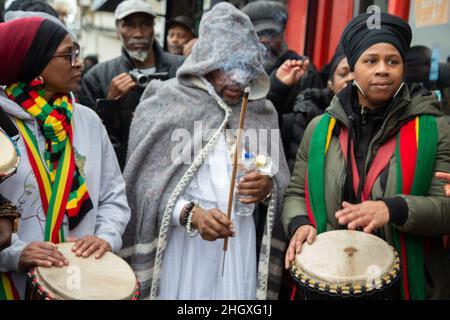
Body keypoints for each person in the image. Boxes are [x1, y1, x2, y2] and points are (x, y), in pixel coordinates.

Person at [121, 2, 290, 300]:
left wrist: (266, 187)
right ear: (206, 62)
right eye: (227, 69)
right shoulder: (166, 101)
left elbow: (280, 180)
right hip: (181, 243)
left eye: (246, 70)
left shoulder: (261, 110)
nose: (237, 81)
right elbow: (144, 186)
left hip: (238, 240)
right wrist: (191, 215)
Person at [282, 13, 450, 299]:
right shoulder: (320, 129)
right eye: (371, 61)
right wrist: (299, 223)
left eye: (393, 61)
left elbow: (445, 209)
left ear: (403, 68)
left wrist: (393, 209)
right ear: (353, 69)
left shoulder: (435, 129)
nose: (383, 69)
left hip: (406, 285)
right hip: (330, 284)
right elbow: (296, 193)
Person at [0, 17, 130, 299]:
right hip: (12, 285)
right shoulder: (2, 125)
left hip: (78, 283)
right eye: (68, 54)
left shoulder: (88, 121)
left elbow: (113, 197)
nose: (79, 62)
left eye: (78, 52)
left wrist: (105, 237)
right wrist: (15, 253)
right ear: (32, 62)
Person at [79, 0, 184, 169]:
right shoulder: (97, 77)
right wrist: (110, 104)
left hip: (174, 168)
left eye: (145, 25)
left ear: (153, 29)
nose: (138, 33)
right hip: (123, 173)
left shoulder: (181, 68)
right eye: (129, 26)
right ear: (117, 32)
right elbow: (88, 139)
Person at [241, 1, 323, 130]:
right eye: (258, 34)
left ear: (282, 35)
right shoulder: (237, 72)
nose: (264, 40)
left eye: (271, 33)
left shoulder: (302, 71)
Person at [282, 45, 354, 172]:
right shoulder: (307, 114)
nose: (350, 78)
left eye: (356, 73)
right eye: (343, 74)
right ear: (330, 83)